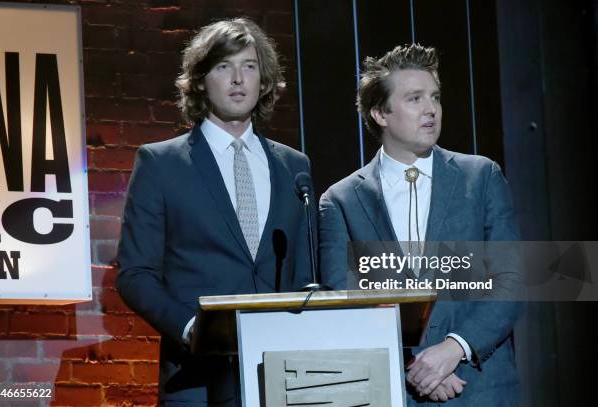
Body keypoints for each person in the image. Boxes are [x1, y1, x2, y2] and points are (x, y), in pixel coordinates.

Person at [116, 18, 315, 406]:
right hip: (196, 380)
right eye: (224, 67)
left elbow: (305, 275)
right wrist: (192, 329)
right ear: (201, 81)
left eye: (250, 66)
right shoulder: (161, 163)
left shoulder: (294, 167)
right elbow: (135, 275)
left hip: (282, 375)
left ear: (264, 80)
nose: (238, 79)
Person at [319, 44, 521, 405]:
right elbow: (344, 304)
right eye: (415, 99)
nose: (431, 110)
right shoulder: (341, 201)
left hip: (479, 386)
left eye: (436, 97)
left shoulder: (481, 176)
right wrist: (416, 364)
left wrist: (454, 348)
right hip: (395, 390)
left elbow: (512, 280)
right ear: (381, 112)